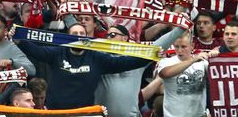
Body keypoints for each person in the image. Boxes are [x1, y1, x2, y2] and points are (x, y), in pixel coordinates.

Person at [13, 23, 150, 109]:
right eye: (74, 34)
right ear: (67, 37)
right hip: (56, 112)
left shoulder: (97, 57)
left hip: (84, 113)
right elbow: (38, 51)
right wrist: (19, 40)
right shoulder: (58, 53)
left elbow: (125, 63)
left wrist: (152, 56)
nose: (78, 37)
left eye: (81, 34)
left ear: (87, 37)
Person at [156, 33, 218, 117]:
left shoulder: (203, 63)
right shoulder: (166, 62)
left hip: (199, 115)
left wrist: (217, 54)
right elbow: (165, 73)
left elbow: (218, 76)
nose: (180, 50)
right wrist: (193, 60)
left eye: (183, 46)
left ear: (192, 46)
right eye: (177, 46)